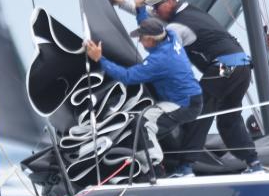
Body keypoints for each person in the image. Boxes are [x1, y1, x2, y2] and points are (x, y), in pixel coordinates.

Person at [108, 0, 263, 173]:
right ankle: (255, 164)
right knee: (228, 120)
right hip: (242, 68)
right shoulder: (187, 10)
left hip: (225, 69)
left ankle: (185, 168)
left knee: (196, 110)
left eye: (158, 6)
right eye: (154, 6)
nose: (155, 10)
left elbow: (163, 46)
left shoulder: (177, 26)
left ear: (172, 1)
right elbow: (152, 18)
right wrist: (122, 3)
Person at [85, 18, 203, 178]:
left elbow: (127, 76)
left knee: (143, 123)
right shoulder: (170, 36)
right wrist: (140, 9)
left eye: (141, 38)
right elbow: (154, 27)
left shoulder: (159, 60)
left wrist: (100, 59)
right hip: (191, 97)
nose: (139, 41)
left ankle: (156, 170)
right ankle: (168, 164)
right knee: (146, 128)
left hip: (183, 104)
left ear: (150, 39)